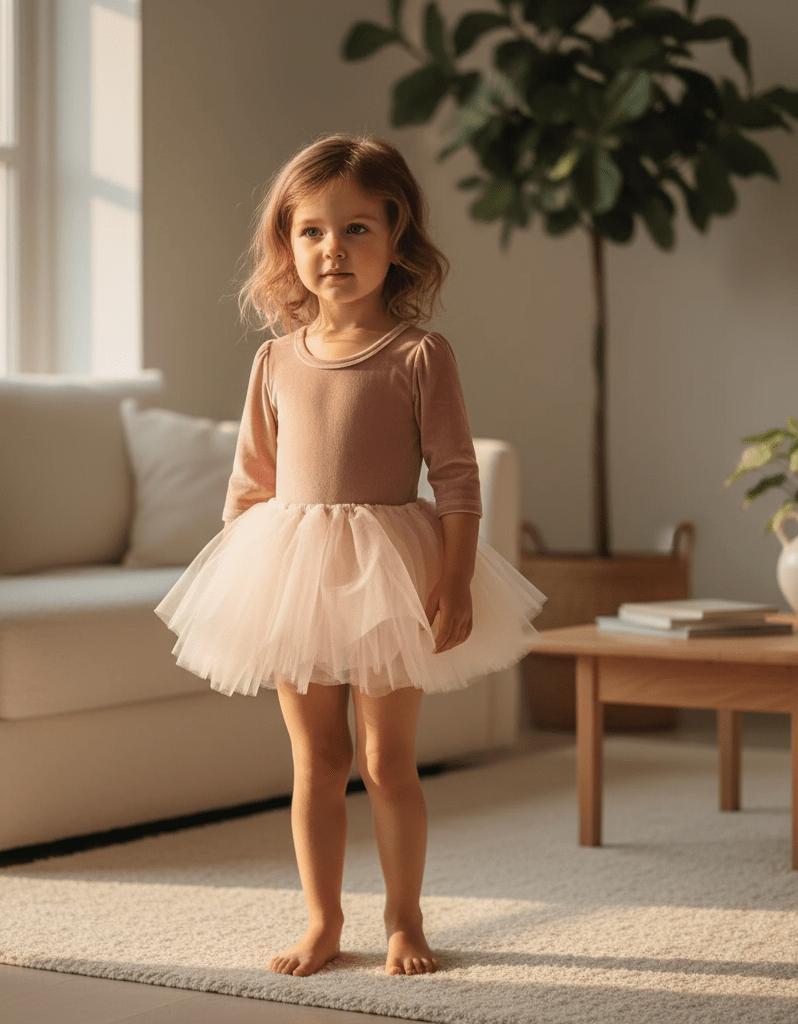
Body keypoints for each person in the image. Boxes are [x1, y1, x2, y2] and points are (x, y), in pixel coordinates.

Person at [155, 134, 543, 978]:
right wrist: (242, 588)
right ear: (287, 245)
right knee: (318, 762)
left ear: (397, 238)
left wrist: (453, 577)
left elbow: (457, 477)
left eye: (357, 228)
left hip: (388, 578)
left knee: (385, 761)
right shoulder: (273, 360)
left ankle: (405, 920)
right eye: (313, 232)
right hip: (291, 576)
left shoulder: (419, 355)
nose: (333, 249)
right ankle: (322, 921)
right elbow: (250, 484)